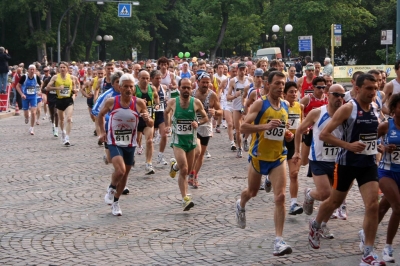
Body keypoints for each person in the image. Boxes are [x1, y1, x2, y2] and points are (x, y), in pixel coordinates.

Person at [309, 74, 386, 266]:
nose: (372, 92)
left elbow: (375, 133)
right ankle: (316, 225)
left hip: (368, 164)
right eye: (368, 88)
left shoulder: (376, 108)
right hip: (347, 163)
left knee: (373, 205)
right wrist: (348, 145)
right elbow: (324, 135)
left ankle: (368, 253)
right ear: (357, 89)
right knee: (334, 201)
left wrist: (382, 146)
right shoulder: (348, 108)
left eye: (375, 88)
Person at [235, 71, 294, 256]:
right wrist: (265, 126)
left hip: (278, 157)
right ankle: (240, 204)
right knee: (252, 192)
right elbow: (243, 127)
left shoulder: (285, 105)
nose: (280, 87)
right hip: (259, 156)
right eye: (277, 83)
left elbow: (283, 129)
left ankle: (278, 241)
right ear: (268, 85)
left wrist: (287, 134)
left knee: (280, 197)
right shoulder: (260, 103)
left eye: (282, 84)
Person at [294, 85, 345, 239]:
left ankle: (322, 225)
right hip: (319, 159)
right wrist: (297, 151)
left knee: (334, 200)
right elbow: (299, 130)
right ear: (328, 95)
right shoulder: (317, 113)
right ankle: (310, 194)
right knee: (325, 194)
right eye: (336, 94)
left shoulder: (346, 114)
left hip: (337, 160)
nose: (339, 98)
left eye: (342, 95)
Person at [100, 73, 152, 216]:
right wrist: (101, 132)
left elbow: (151, 123)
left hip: (130, 143)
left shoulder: (139, 103)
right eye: (126, 86)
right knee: (120, 170)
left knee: (125, 176)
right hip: (114, 141)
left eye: (131, 86)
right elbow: (99, 115)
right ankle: (111, 188)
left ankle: (116, 202)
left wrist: (148, 119)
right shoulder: (112, 102)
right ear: (120, 87)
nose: (129, 89)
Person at [164, 78, 208, 211]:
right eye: (183, 87)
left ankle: (174, 166)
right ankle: (185, 198)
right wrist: (168, 125)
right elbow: (166, 113)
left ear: (191, 88)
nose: (186, 90)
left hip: (191, 141)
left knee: (187, 170)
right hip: (178, 142)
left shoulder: (196, 103)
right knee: (184, 170)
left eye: (188, 88)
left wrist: (198, 123)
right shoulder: (173, 102)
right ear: (179, 88)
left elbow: (205, 117)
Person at [367, 93, 400, 263]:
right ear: (394, 108)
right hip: (387, 171)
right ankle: (388, 247)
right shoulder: (386, 126)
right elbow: (372, 141)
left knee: (382, 208)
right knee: (398, 207)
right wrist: (384, 148)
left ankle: (366, 232)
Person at [189, 71, 222, 188]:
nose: (205, 84)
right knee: (196, 151)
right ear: (198, 82)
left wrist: (215, 112)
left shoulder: (212, 95)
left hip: (206, 126)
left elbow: (220, 111)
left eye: (208, 82)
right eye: (203, 82)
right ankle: (191, 172)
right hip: (194, 125)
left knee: (201, 154)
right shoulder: (192, 94)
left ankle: (194, 175)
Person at [283, 81, 304, 215]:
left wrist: (304, 130)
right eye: (290, 92)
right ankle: (268, 177)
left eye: (295, 91)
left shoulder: (299, 106)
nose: (294, 94)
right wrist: (286, 132)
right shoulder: (280, 106)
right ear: (284, 94)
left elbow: (300, 127)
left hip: (293, 144)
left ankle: (293, 203)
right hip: (279, 143)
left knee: (294, 174)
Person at [46, 62, 78, 146]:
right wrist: (57, 88)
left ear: (67, 68)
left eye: (64, 67)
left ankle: (67, 137)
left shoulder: (71, 77)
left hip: (68, 100)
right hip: (59, 100)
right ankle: (63, 132)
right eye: (61, 67)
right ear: (58, 69)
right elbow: (47, 88)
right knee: (62, 120)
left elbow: (75, 87)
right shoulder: (55, 77)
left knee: (69, 119)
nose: (62, 69)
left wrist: (75, 90)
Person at [135, 70, 159, 174]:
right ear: (138, 78)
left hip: (149, 119)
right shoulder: (134, 89)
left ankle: (149, 163)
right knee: (135, 140)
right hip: (136, 119)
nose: (145, 80)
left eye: (147, 78)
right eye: (143, 78)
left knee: (149, 141)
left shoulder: (152, 88)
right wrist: (137, 101)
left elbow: (156, 97)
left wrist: (157, 104)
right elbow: (128, 100)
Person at [227, 63, 253, 158]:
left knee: (249, 126)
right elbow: (228, 97)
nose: (242, 71)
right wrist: (235, 95)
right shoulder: (233, 81)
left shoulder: (249, 80)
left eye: (244, 69)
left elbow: (253, 93)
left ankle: (245, 139)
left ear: (246, 70)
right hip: (236, 107)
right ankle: (239, 148)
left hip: (246, 106)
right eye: (240, 69)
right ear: (237, 70)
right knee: (238, 130)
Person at [16, 65, 42, 135]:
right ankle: (27, 117)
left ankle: (32, 128)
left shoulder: (36, 77)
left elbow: (40, 84)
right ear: (28, 70)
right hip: (25, 97)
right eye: (31, 69)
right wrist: (21, 94)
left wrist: (39, 91)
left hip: (33, 96)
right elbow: (17, 86)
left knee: (33, 112)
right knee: (26, 114)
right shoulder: (24, 77)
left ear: (35, 70)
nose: (32, 71)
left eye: (33, 69)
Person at [150, 70, 168, 165]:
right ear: (151, 79)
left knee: (164, 135)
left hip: (161, 114)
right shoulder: (148, 88)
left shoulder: (163, 87)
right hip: (151, 115)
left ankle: (160, 156)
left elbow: (165, 102)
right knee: (150, 138)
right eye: (157, 78)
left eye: (160, 78)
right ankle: (149, 158)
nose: (159, 80)